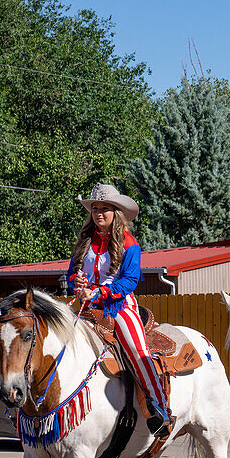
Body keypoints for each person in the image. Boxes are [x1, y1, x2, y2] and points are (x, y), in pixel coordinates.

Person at [67, 183, 172, 437]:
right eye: (95, 209)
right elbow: (71, 273)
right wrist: (77, 283)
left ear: (116, 212)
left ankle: (160, 409)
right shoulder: (84, 241)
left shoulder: (129, 243)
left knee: (138, 351)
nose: (98, 213)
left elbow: (130, 280)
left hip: (118, 306)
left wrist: (101, 292)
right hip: (86, 305)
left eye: (105, 209)